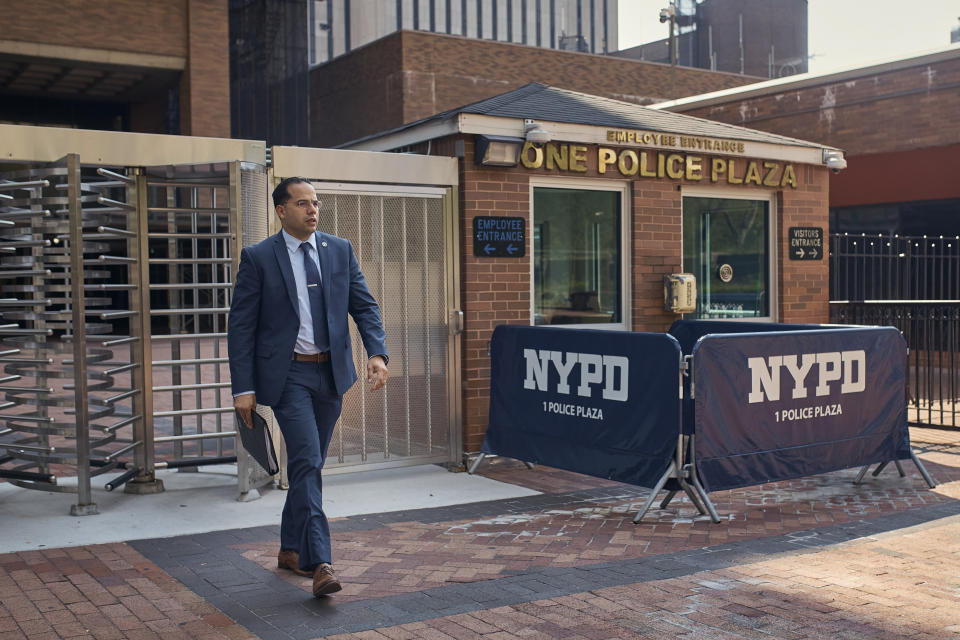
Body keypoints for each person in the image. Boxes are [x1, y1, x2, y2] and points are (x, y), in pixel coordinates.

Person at [228, 177, 388, 597]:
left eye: (316, 203)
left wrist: (377, 353)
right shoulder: (259, 257)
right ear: (282, 210)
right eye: (302, 203)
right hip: (288, 377)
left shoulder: (340, 249)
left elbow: (364, 305)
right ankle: (320, 562)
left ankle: (288, 549)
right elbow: (240, 327)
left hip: (331, 375)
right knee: (308, 460)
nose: (312, 210)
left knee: (305, 465)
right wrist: (242, 387)